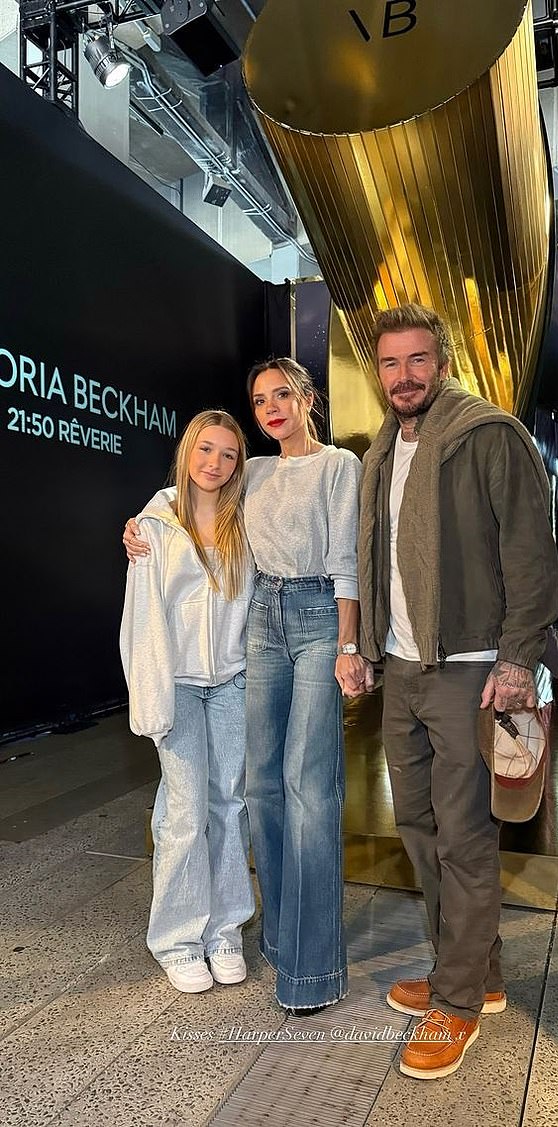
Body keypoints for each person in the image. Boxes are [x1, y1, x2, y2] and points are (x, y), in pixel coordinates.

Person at [124, 358, 369, 1014]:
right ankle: (238, 939)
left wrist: (350, 644)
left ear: (309, 398)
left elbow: (347, 559)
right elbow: (179, 504)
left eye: (283, 394)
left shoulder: (338, 465)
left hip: (315, 619)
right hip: (260, 625)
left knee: (304, 787)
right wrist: (137, 526)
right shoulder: (249, 476)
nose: (271, 407)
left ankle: (304, 965)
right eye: (260, 399)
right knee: (251, 790)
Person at [357, 303, 558, 1079]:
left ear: (440, 364)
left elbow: (530, 555)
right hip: (404, 667)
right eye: (389, 363)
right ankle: (479, 972)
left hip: (474, 667)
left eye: (417, 360)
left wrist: (516, 658)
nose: (404, 376)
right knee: (417, 823)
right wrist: (369, 645)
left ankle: (457, 1003)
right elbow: (374, 558)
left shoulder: (487, 434)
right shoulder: (383, 448)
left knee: (464, 837)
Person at [120, 409, 255, 994]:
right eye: (206, 450)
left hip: (230, 681)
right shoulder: (151, 526)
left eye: (227, 455)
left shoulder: (244, 523)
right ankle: (176, 939)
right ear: (186, 451)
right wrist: (149, 700)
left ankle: (224, 929)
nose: (215, 463)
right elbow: (140, 620)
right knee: (183, 811)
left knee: (229, 803)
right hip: (176, 683)